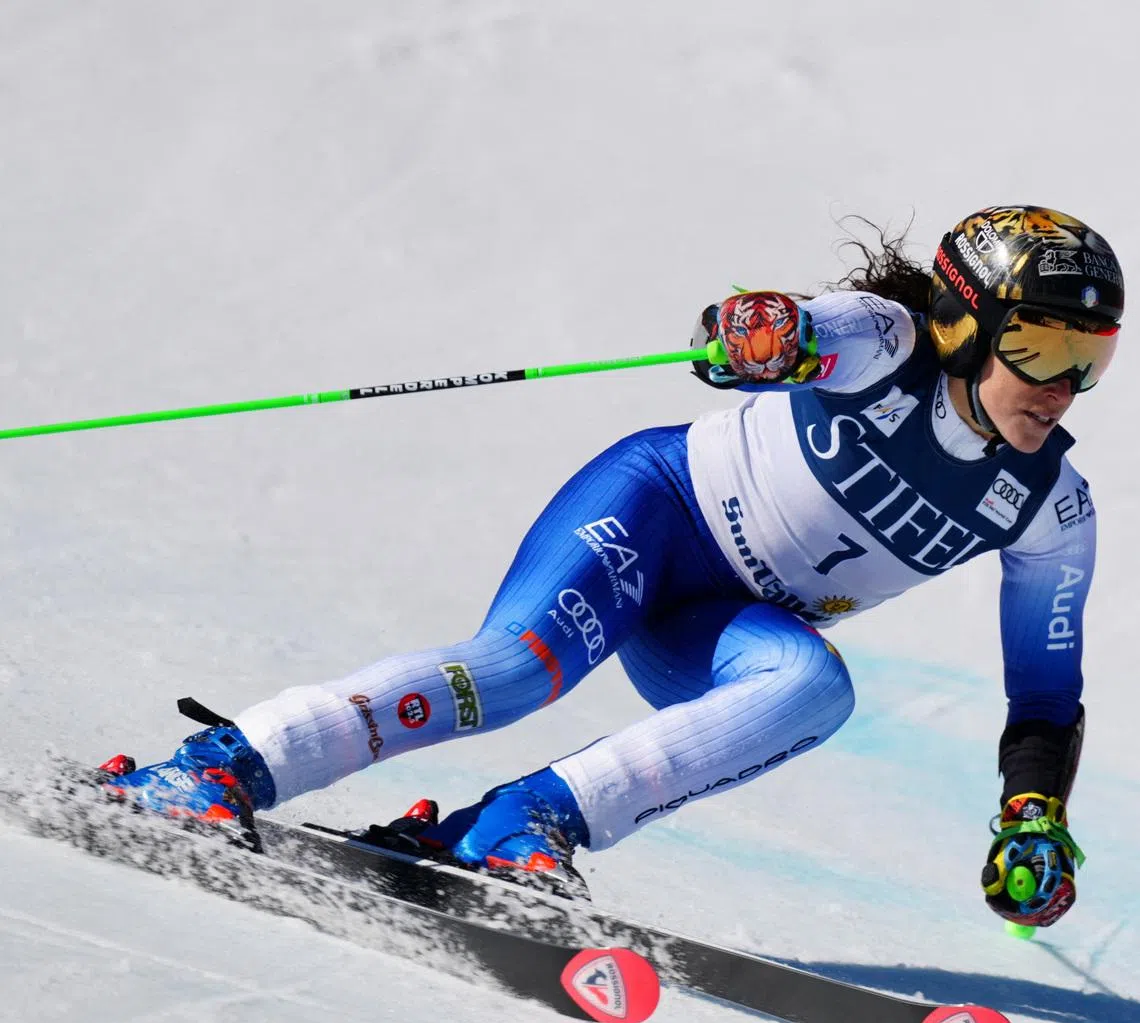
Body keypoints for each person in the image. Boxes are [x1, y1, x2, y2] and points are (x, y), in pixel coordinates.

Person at [105, 205, 1123, 928]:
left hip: (719, 622)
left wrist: (1033, 815)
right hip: (656, 515)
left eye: (1091, 359)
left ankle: (516, 825)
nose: (1062, 387)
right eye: (1040, 347)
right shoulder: (890, 344)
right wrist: (757, 334)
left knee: (814, 687)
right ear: (963, 325)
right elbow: (800, 329)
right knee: (515, 672)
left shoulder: (1051, 506)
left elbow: (1044, 696)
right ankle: (218, 767)